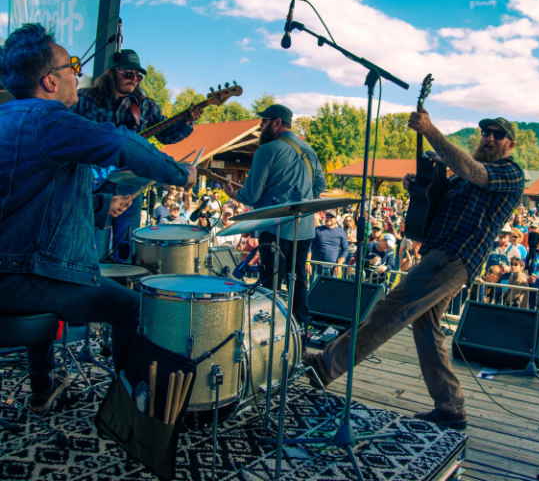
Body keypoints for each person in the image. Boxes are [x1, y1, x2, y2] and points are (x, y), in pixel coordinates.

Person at [0, 24, 195, 413]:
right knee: (129, 307)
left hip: (15, 266)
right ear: (50, 81)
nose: (78, 72)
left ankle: (43, 387)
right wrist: (181, 173)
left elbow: (29, 202)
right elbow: (121, 142)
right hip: (19, 276)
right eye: (71, 64)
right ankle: (127, 412)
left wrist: (104, 207)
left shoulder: (7, 117)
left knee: (48, 276)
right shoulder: (49, 120)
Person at [305, 115, 524, 431]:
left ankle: (325, 367)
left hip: (450, 258)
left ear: (510, 144)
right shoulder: (464, 179)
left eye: (497, 134)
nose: (488, 137)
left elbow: (470, 169)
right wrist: (419, 189)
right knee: (427, 329)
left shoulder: (510, 172)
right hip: (443, 257)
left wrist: (431, 131)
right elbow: (438, 206)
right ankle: (450, 407)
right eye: (485, 132)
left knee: (387, 313)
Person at [72, 49, 202, 262]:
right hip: (92, 181)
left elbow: (166, 135)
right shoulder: (85, 99)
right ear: (112, 72)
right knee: (94, 244)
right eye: (128, 74)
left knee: (126, 244)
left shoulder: (145, 105)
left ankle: (121, 285)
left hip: (130, 182)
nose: (134, 80)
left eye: (138, 76)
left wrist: (186, 121)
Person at [224, 104, 326, 335]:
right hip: (305, 228)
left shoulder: (267, 150)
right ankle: (301, 331)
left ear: (276, 123)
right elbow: (320, 185)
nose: (261, 126)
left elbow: (251, 195)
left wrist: (233, 194)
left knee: (270, 282)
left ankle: (267, 332)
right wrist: (300, 200)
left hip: (275, 228)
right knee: (299, 281)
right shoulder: (307, 149)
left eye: (264, 122)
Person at [307, 210, 349, 278]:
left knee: (329, 288)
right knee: (314, 288)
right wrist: (308, 262)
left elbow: (345, 250)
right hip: (317, 266)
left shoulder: (341, 232)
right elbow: (310, 247)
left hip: (332, 268)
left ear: (335, 219)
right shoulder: (318, 230)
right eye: (327, 216)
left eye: (331, 217)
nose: (328, 218)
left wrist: (339, 264)